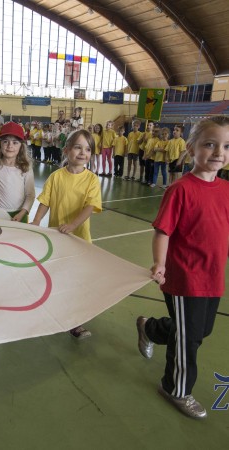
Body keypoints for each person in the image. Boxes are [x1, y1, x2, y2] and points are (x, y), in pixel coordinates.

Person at [136, 116, 229, 419]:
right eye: (210, 144)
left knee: (201, 330)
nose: (218, 152)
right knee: (189, 339)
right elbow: (163, 231)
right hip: (183, 276)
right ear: (191, 148)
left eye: (226, 146)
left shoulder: (226, 189)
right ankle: (175, 388)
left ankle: (150, 328)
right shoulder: (180, 190)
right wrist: (160, 264)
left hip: (212, 274)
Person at [31, 129, 102, 339]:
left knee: (77, 282)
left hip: (80, 240)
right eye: (78, 147)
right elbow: (45, 200)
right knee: (57, 278)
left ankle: (76, 322)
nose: (83, 153)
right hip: (57, 239)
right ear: (67, 150)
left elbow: (90, 206)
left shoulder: (91, 180)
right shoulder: (56, 177)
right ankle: (56, 312)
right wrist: (36, 221)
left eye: (88, 149)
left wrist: (72, 225)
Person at [0, 122, 35, 223]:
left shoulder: (25, 167)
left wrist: (22, 213)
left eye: (15, 142)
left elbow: (30, 195)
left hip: (20, 214)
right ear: (0, 145)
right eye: (5, 142)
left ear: (21, 146)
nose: (9, 146)